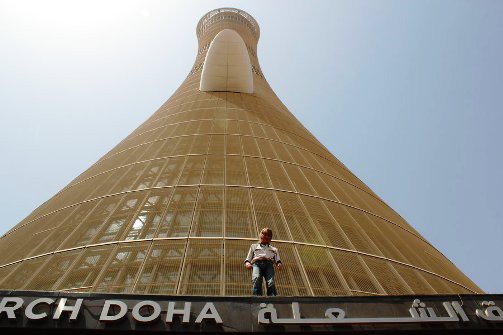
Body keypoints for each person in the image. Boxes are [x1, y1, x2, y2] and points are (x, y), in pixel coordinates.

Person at [244, 228, 283, 296]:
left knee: (271, 281)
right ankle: (257, 296)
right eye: (264, 235)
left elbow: (278, 260)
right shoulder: (254, 246)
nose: (266, 237)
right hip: (257, 264)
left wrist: (279, 264)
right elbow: (248, 258)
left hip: (269, 264)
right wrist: (247, 263)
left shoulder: (274, 249)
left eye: (268, 235)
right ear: (260, 235)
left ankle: (272, 296)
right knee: (256, 278)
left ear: (270, 238)